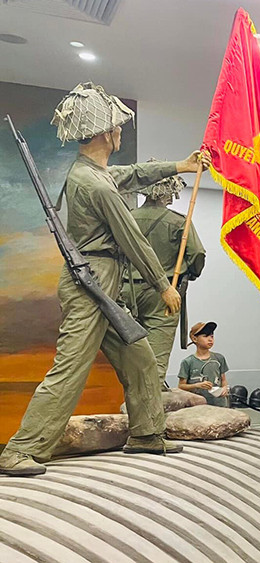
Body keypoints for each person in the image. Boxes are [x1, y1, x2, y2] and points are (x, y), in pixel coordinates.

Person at [0, 83, 204, 476]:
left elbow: (133, 174)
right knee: (70, 369)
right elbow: (132, 240)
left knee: (140, 359)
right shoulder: (95, 184)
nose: (120, 131)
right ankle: (21, 449)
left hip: (104, 284)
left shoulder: (93, 174)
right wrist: (163, 285)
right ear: (104, 133)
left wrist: (181, 165)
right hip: (91, 286)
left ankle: (146, 434)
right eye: (116, 126)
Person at [121, 164, 206, 389]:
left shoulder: (126, 218)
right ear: (167, 192)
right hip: (163, 295)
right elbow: (197, 254)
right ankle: (150, 403)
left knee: (129, 356)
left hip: (125, 292)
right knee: (156, 362)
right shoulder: (178, 221)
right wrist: (191, 273)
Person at [177, 321, 229, 407]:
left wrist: (225, 388)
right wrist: (197, 385)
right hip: (197, 406)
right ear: (195, 339)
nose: (210, 339)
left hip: (219, 405)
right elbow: (181, 386)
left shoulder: (219, 358)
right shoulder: (188, 362)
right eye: (205, 336)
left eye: (212, 336)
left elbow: (223, 380)